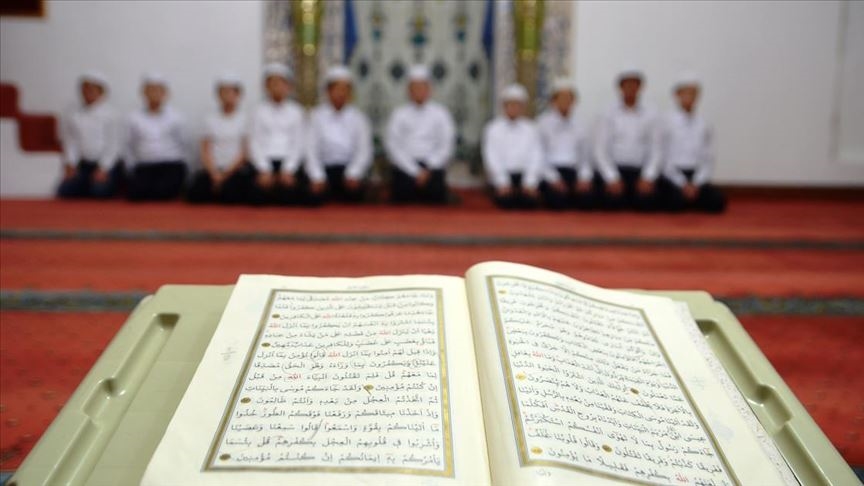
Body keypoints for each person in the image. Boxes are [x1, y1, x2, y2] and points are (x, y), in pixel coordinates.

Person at [482, 84, 563, 210]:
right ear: (504, 106)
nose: (514, 108)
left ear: (523, 107)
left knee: (530, 202)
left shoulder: (531, 129)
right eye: (510, 104)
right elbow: (491, 157)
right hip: (503, 177)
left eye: (517, 105)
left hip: (525, 176)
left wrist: (530, 182)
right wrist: (502, 182)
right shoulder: (493, 128)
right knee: (506, 202)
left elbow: (536, 156)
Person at [655, 73, 727, 213]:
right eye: (685, 93)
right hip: (673, 175)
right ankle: (688, 198)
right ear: (677, 94)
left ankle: (691, 196)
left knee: (717, 202)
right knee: (673, 201)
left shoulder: (704, 123)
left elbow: (709, 157)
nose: (689, 97)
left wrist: (696, 183)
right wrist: (682, 183)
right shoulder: (665, 121)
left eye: (693, 93)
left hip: (695, 175)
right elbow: (662, 156)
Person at [385, 65, 456, 204]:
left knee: (435, 196)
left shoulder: (441, 114)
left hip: (432, 168)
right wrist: (415, 171)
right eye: (415, 88)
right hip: (406, 167)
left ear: (429, 89)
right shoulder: (399, 114)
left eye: (422, 87)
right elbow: (393, 146)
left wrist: (428, 168)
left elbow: (446, 145)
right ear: (409, 90)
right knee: (402, 196)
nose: (419, 91)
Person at [593, 67, 660, 210]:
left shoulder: (651, 114)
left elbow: (656, 150)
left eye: (634, 84)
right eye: (627, 84)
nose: (631, 88)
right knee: (610, 202)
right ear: (620, 87)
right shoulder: (607, 113)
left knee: (648, 203)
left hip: (640, 173)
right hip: (615, 171)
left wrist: (647, 177)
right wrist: (612, 178)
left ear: (641, 87)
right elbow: (600, 150)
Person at [305, 65, 373, 204]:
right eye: (337, 89)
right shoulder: (316, 116)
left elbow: (364, 151)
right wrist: (317, 176)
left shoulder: (359, 118)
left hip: (349, 171)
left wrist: (354, 173)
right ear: (328, 91)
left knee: (356, 196)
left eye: (345, 89)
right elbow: (310, 149)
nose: (341, 94)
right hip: (324, 170)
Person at [248, 63, 307, 205]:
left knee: (301, 194)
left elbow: (298, 143)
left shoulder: (297, 112)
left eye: (281, 83)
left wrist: (288, 169)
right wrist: (264, 169)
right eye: (273, 83)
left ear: (289, 87)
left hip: (288, 162)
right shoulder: (258, 111)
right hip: (264, 162)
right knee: (253, 194)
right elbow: (254, 142)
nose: (277, 87)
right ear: (266, 87)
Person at [187, 74, 251, 204]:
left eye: (231, 92)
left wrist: (225, 174)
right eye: (223, 92)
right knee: (194, 192)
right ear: (218, 95)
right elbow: (205, 150)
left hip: (234, 170)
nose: (227, 96)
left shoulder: (246, 119)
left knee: (233, 194)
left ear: (238, 94)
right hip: (213, 169)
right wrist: (214, 173)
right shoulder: (209, 119)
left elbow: (245, 153)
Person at [125, 73, 188, 201]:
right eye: (151, 90)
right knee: (135, 193)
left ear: (165, 93)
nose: (154, 94)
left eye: (158, 90)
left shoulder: (177, 117)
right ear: (143, 93)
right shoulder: (133, 117)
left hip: (170, 164)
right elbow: (128, 145)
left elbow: (185, 144)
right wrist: (131, 168)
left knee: (164, 192)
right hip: (144, 164)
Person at [57, 72, 121, 199]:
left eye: (92, 89)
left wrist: (103, 168)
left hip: (105, 164)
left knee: (99, 192)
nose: (88, 92)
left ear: (101, 92)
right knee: (65, 191)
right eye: (85, 89)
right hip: (83, 164)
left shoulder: (112, 115)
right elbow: (70, 141)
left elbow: (114, 145)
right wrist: (70, 163)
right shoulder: (73, 113)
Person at [536, 77, 593, 209]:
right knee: (557, 201)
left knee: (588, 199)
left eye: (569, 98)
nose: (565, 102)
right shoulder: (542, 123)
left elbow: (585, 156)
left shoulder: (581, 124)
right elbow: (539, 156)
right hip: (550, 173)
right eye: (561, 98)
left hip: (573, 172)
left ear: (574, 101)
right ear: (553, 101)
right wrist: (554, 179)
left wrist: (583, 178)